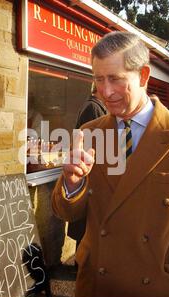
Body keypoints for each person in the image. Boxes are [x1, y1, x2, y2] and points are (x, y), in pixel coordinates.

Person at [52, 31, 169, 297]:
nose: (106, 91)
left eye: (116, 79)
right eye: (99, 79)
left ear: (144, 76)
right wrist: (71, 183)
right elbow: (66, 212)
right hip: (95, 288)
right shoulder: (89, 132)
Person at [67, 83, 107, 252]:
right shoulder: (93, 108)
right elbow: (90, 147)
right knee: (85, 236)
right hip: (89, 178)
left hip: (91, 178)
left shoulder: (96, 106)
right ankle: (80, 269)